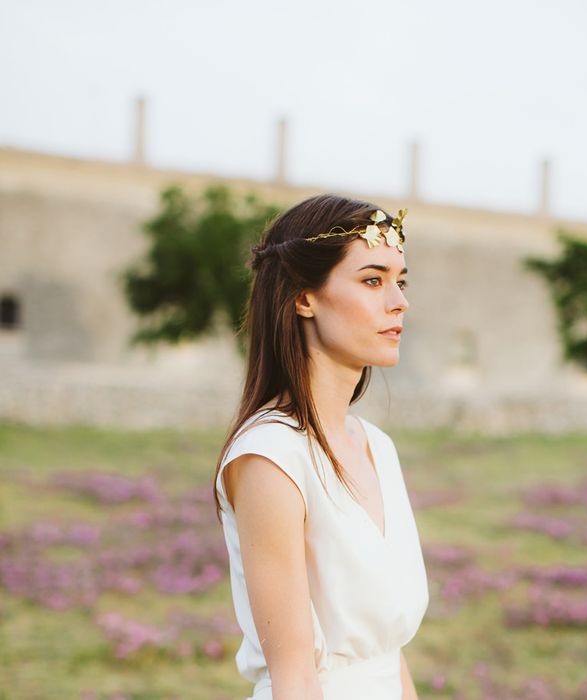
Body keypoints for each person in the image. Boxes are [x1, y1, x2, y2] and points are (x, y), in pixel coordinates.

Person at [212, 193, 430, 700]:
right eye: (372, 280)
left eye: (400, 282)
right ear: (303, 297)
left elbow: (386, 650)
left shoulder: (377, 446)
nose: (398, 301)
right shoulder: (271, 457)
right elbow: (295, 677)